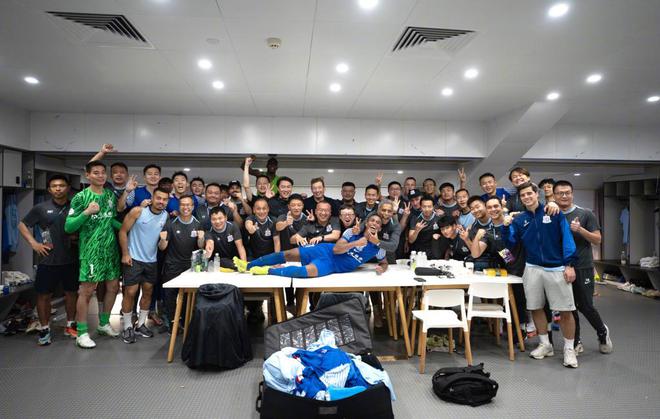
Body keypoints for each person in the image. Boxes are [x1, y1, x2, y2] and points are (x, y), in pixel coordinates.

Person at [502, 182, 579, 368]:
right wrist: (506, 226)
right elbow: (511, 243)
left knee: (566, 310)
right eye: (523, 195)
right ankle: (545, 344)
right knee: (535, 307)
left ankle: (569, 349)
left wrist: (569, 264)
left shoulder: (553, 212)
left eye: (529, 193)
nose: (527, 197)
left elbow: (567, 238)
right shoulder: (520, 219)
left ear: (537, 194)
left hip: (557, 268)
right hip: (532, 268)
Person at [64, 161, 122, 349]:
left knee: (113, 287)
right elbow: (68, 227)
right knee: (87, 291)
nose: (101, 175)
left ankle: (104, 324)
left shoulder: (110, 195)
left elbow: (110, 220)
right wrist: (86, 213)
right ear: (87, 175)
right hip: (91, 252)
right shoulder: (81, 197)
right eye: (96, 172)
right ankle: (81, 333)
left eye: (103, 172)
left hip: (110, 250)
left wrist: (129, 228)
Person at [553, 180, 613, 354]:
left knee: (585, 305)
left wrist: (580, 230)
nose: (564, 196)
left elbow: (597, 239)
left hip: (582, 266)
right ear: (554, 196)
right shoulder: (553, 214)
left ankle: (602, 332)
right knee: (569, 306)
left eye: (567, 192)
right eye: (560, 193)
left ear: (572, 194)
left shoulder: (585, 214)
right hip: (561, 267)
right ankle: (576, 341)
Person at [19, 175, 78, 345]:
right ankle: (45, 329)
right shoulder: (41, 208)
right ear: (49, 189)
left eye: (61, 185)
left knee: (71, 293)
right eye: (54, 186)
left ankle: (70, 325)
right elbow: (22, 225)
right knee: (44, 295)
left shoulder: (76, 206)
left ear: (68, 188)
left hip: (71, 258)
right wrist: (34, 243)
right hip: (48, 259)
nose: (58, 188)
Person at [237, 213, 388, 278]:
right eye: (372, 221)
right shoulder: (352, 232)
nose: (374, 223)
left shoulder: (379, 247)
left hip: (333, 266)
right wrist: (356, 242)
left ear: (380, 228)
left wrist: (382, 268)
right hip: (325, 251)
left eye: (378, 223)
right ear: (367, 223)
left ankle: (267, 271)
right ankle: (248, 265)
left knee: (304, 272)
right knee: (288, 254)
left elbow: (384, 262)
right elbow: (337, 249)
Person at [118, 187, 169, 343]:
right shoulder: (138, 211)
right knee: (131, 292)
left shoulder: (165, 216)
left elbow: (161, 242)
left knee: (148, 292)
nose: (161, 202)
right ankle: (127, 326)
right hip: (133, 258)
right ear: (152, 198)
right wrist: (125, 253)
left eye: (165, 199)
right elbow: (122, 231)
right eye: (158, 198)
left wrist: (163, 242)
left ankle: (140, 325)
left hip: (151, 260)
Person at [159, 195, 206, 333]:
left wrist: (201, 238)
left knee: (188, 296)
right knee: (170, 295)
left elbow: (200, 246)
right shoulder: (171, 223)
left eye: (188, 205)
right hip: (172, 265)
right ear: (179, 206)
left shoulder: (197, 223)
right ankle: (172, 323)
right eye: (183, 205)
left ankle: (186, 322)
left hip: (190, 266)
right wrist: (162, 240)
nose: (186, 207)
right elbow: (162, 247)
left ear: (193, 207)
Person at [244, 197, 280, 321]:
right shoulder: (251, 219)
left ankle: (275, 314)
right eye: (258, 209)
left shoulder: (273, 221)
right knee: (252, 287)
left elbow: (276, 242)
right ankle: (254, 311)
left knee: (271, 287)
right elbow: (248, 225)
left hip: (268, 258)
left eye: (264, 208)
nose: (261, 211)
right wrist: (250, 228)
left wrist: (277, 260)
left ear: (268, 209)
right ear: (254, 210)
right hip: (253, 257)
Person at [467, 196, 494, 270]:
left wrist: (510, 261)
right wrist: (471, 238)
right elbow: (475, 253)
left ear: (485, 205)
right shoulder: (474, 226)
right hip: (491, 261)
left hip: (508, 254)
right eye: (472, 209)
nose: (475, 210)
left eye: (477, 207)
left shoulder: (495, 218)